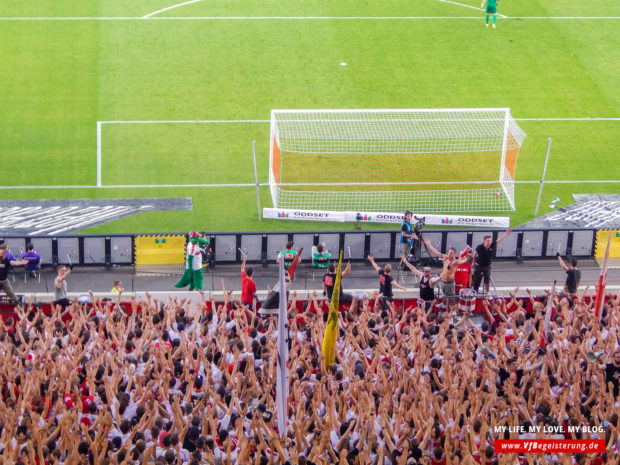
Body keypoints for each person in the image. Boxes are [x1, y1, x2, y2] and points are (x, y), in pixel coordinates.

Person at [423, 240, 469, 305]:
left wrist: (467, 258)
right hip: (443, 281)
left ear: (454, 254)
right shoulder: (445, 257)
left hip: (449, 284)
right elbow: (436, 253)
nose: (449, 254)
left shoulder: (455, 262)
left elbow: (463, 261)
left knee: (451, 299)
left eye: (451, 253)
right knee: (444, 295)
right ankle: (444, 305)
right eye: (449, 252)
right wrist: (429, 244)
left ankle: (454, 311)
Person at [472, 229, 512, 294]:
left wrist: (506, 234)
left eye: (490, 240)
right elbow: (474, 255)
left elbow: (499, 240)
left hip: (487, 266)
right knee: (475, 278)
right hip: (479, 265)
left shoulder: (492, 245)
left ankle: (487, 292)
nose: (489, 242)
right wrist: (473, 262)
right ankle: (471, 289)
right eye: (488, 240)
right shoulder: (479, 247)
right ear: (484, 241)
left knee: (487, 280)